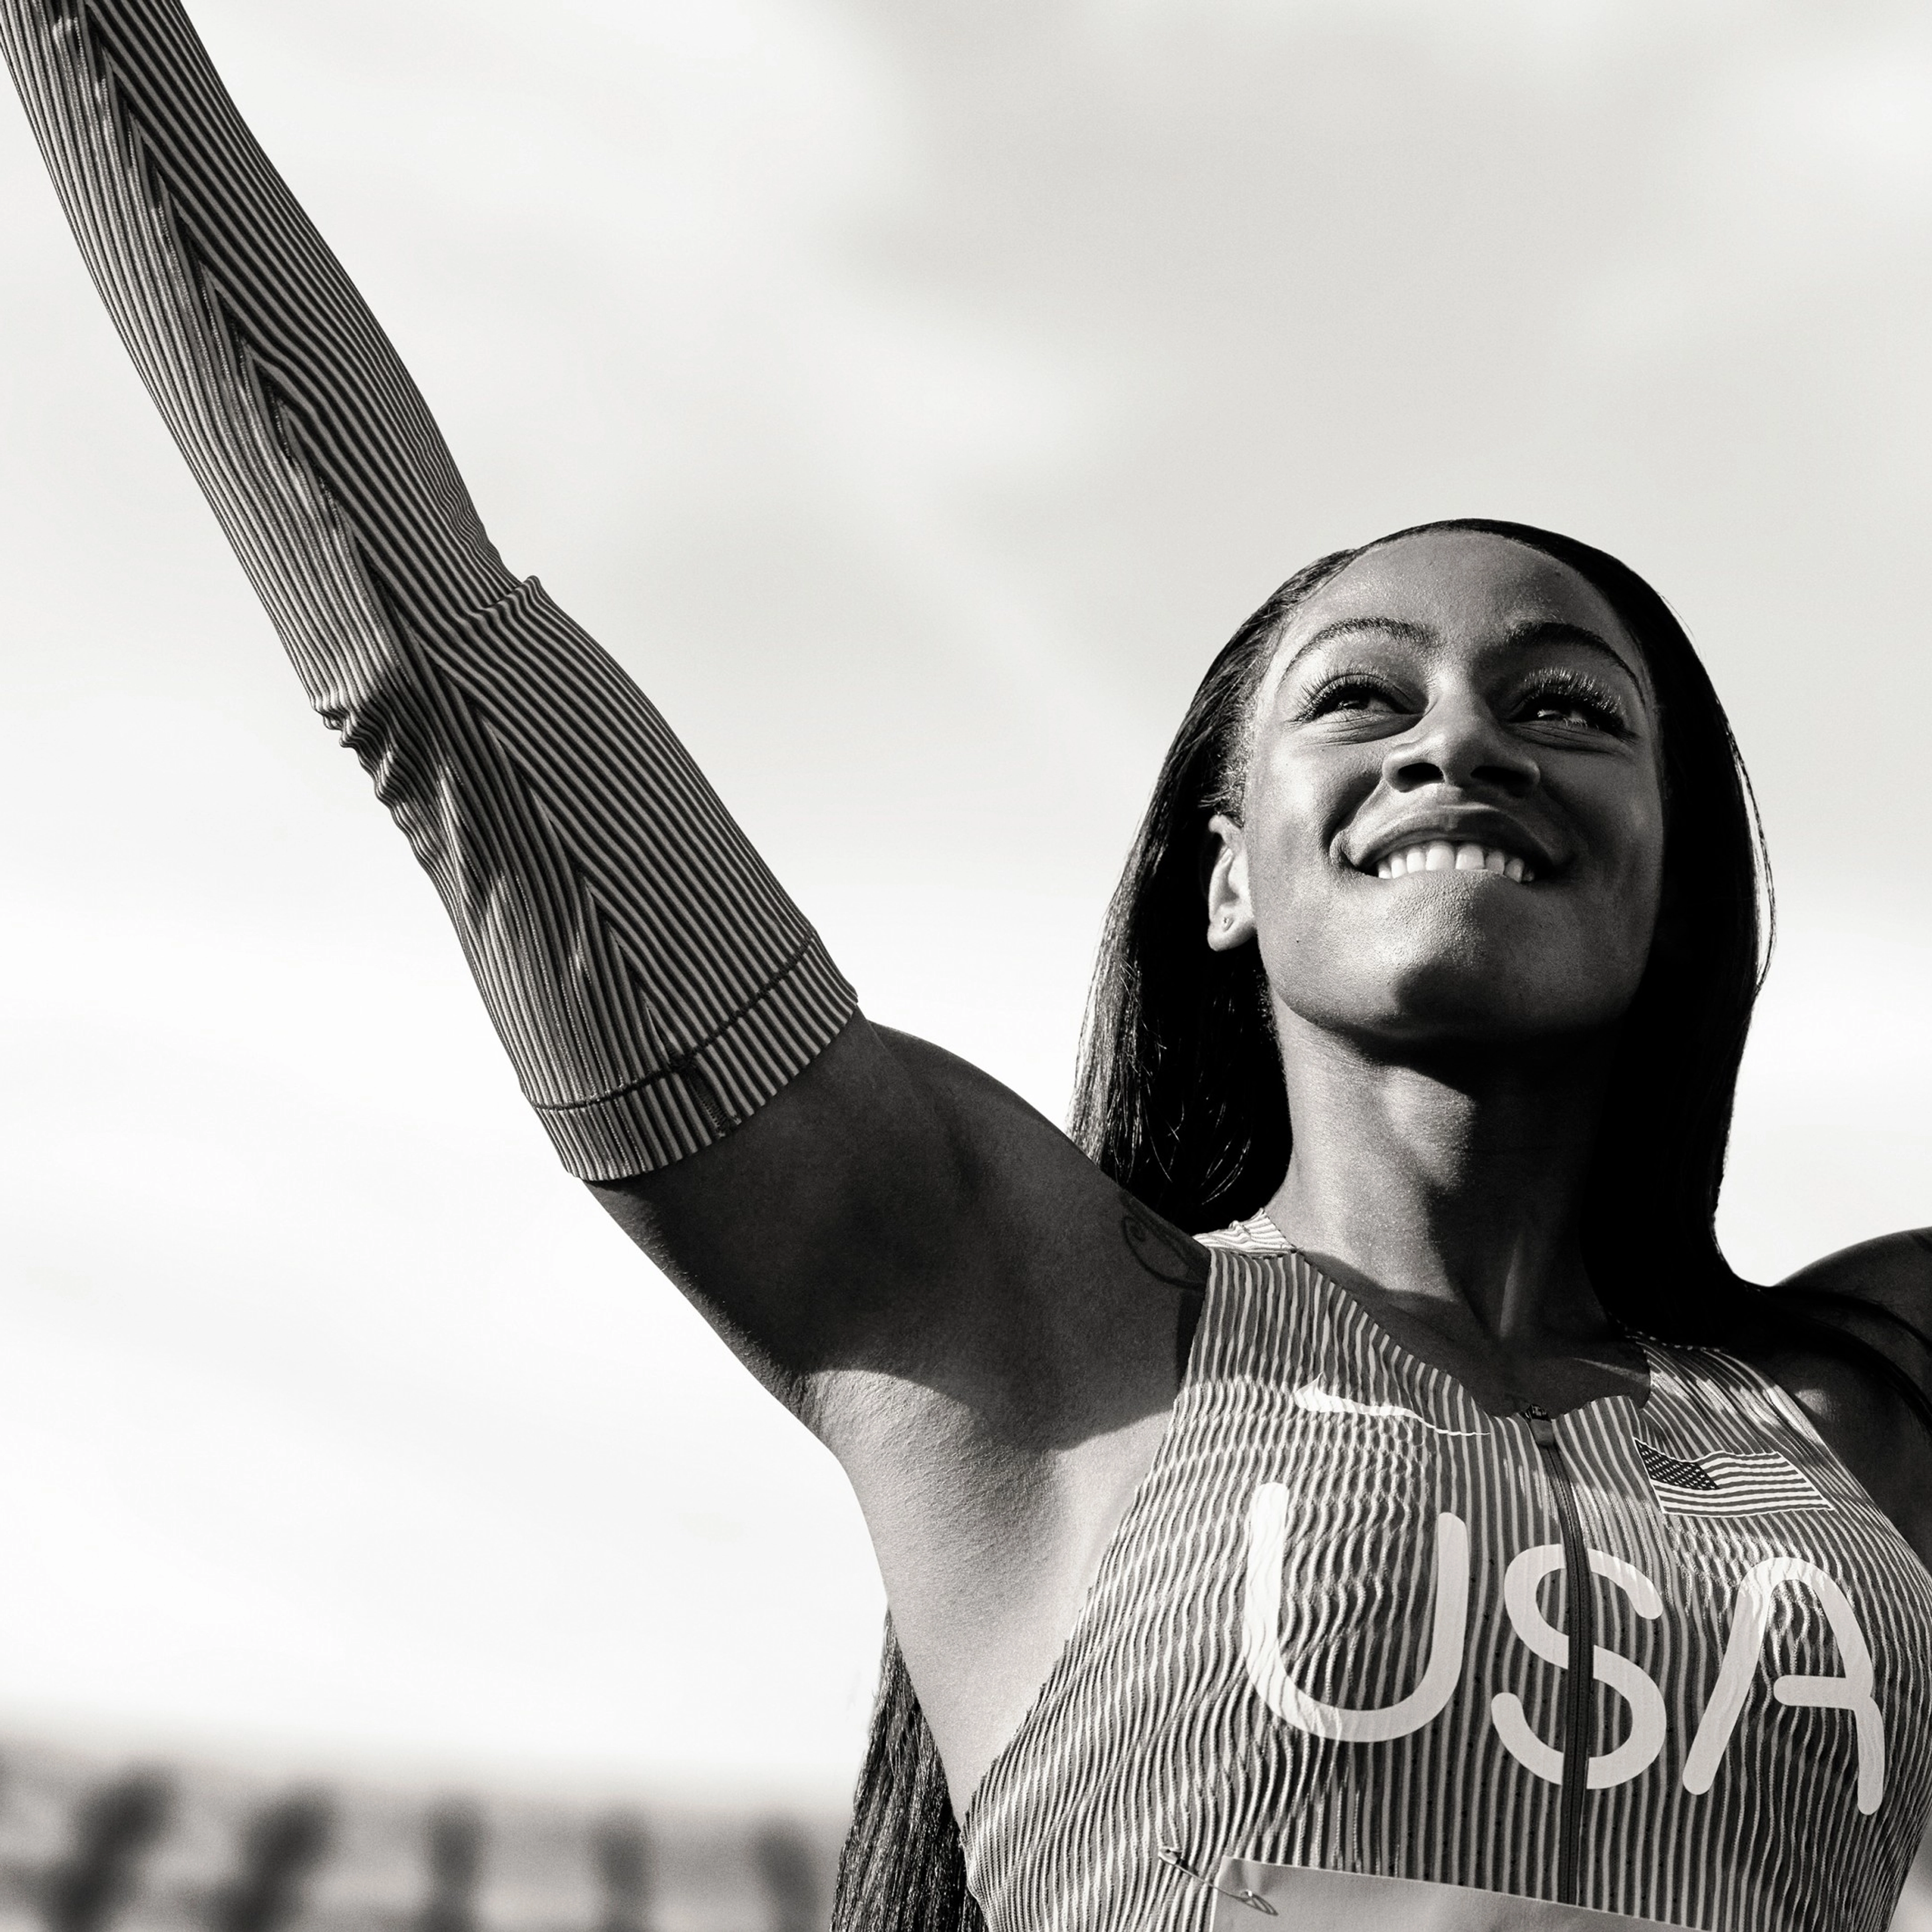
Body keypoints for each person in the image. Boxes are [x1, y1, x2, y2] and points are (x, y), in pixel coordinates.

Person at [5, 6, 1929, 1929]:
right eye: (1361, 698)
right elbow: (436, 668)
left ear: (1678, 875)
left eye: (1568, 704)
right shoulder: (1019, 1307)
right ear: (1225, 879)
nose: (1462, 741)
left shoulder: (1869, 1400)